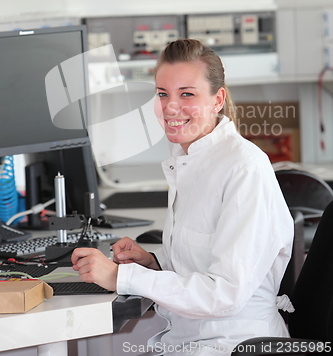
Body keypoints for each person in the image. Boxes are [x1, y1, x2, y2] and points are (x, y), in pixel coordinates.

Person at [71, 39, 294, 356]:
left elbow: (224, 293)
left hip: (235, 344)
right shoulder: (190, 158)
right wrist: (153, 262)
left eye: (186, 94)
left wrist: (122, 277)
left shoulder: (243, 168)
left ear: (217, 100)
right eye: (163, 94)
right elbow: (203, 254)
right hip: (191, 338)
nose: (170, 107)